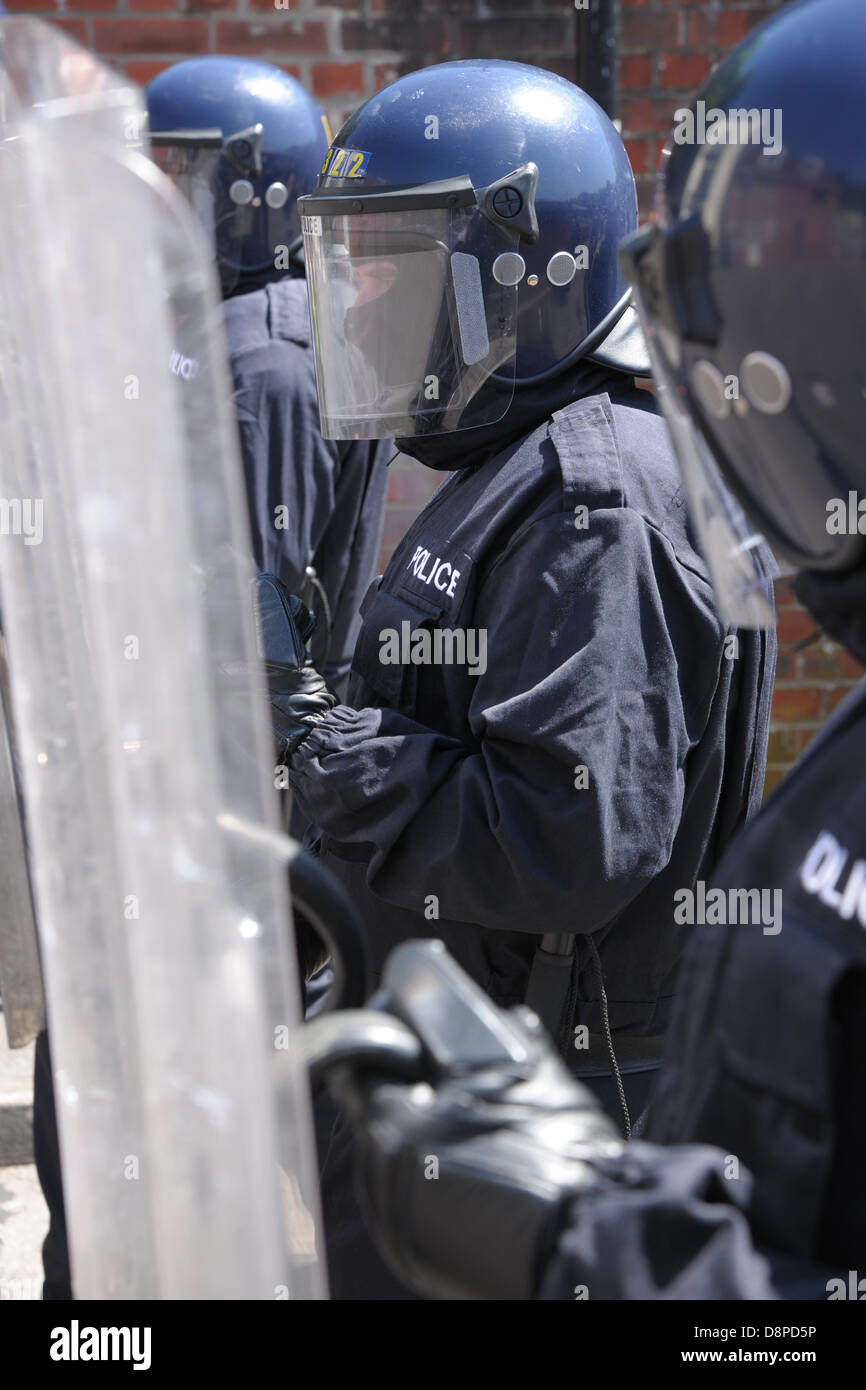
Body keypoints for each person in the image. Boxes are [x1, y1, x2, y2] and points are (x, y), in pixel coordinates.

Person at [301, 0, 866, 1299]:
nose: (369, 301)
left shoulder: (587, 492)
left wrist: (343, 762)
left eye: (398, 266)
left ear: (529, 280)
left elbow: (570, 835)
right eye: (357, 271)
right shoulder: (530, 460)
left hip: (565, 1095)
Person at [145, 57, 391, 697]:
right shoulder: (227, 322)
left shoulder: (271, 356)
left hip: (241, 748)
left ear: (252, 195)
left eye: (181, 181)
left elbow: (258, 614)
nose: (157, 208)